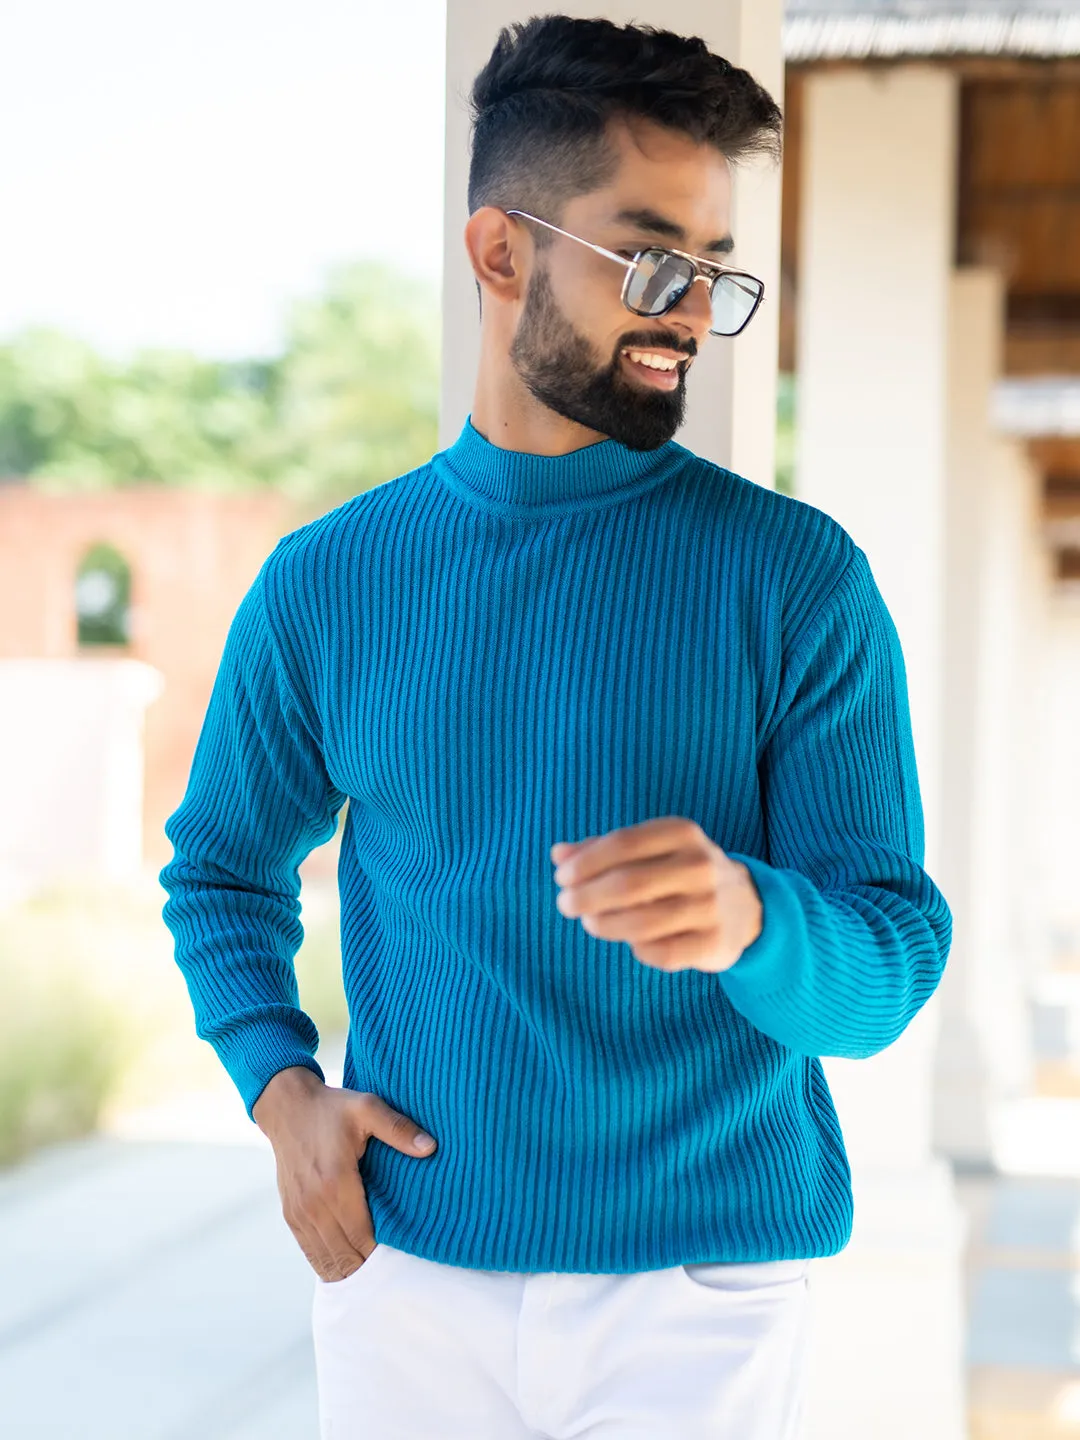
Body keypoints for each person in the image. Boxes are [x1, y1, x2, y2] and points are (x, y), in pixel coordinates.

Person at [159, 15, 952, 1439]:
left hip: (699, 1293)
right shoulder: (329, 582)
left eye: (715, 272)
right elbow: (221, 866)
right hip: (405, 1276)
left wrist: (755, 922)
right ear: (500, 252)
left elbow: (889, 960)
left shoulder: (795, 579)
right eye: (653, 260)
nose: (692, 311)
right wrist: (279, 1090)